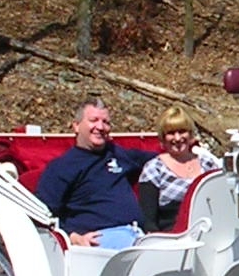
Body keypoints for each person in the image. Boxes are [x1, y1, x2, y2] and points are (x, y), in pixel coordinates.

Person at [33, 96, 150, 249]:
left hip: (139, 235)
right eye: (93, 120)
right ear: (76, 126)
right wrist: (72, 237)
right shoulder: (62, 167)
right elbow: (41, 214)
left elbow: (161, 160)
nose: (100, 127)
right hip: (99, 240)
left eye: (105, 122)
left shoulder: (118, 154)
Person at [137, 106, 221, 230]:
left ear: (190, 134)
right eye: (171, 133)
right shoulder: (154, 168)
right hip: (173, 237)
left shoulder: (207, 163)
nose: (177, 138)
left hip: (210, 230)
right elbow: (149, 221)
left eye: (182, 131)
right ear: (163, 137)